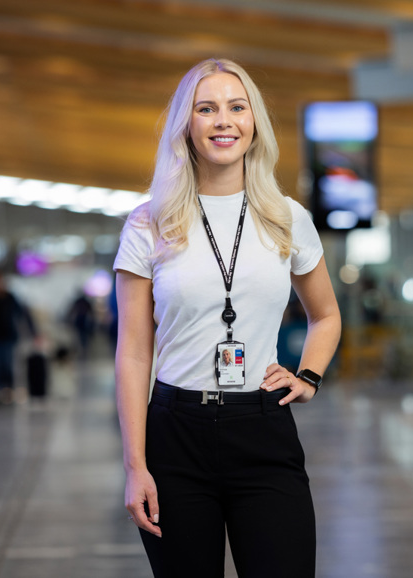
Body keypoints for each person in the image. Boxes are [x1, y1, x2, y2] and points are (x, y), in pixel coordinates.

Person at [114, 58, 342, 578]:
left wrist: (307, 376)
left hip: (262, 431)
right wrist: (135, 466)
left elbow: (326, 316)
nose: (223, 120)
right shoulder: (150, 222)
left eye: (237, 108)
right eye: (206, 109)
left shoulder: (286, 217)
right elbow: (132, 352)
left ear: (254, 122)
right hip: (175, 436)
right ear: (186, 126)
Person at [0, 272, 36, 406]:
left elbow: (23, 314)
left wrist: (33, 332)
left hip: (8, 337)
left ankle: (8, 390)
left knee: (7, 363)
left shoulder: (10, 298)